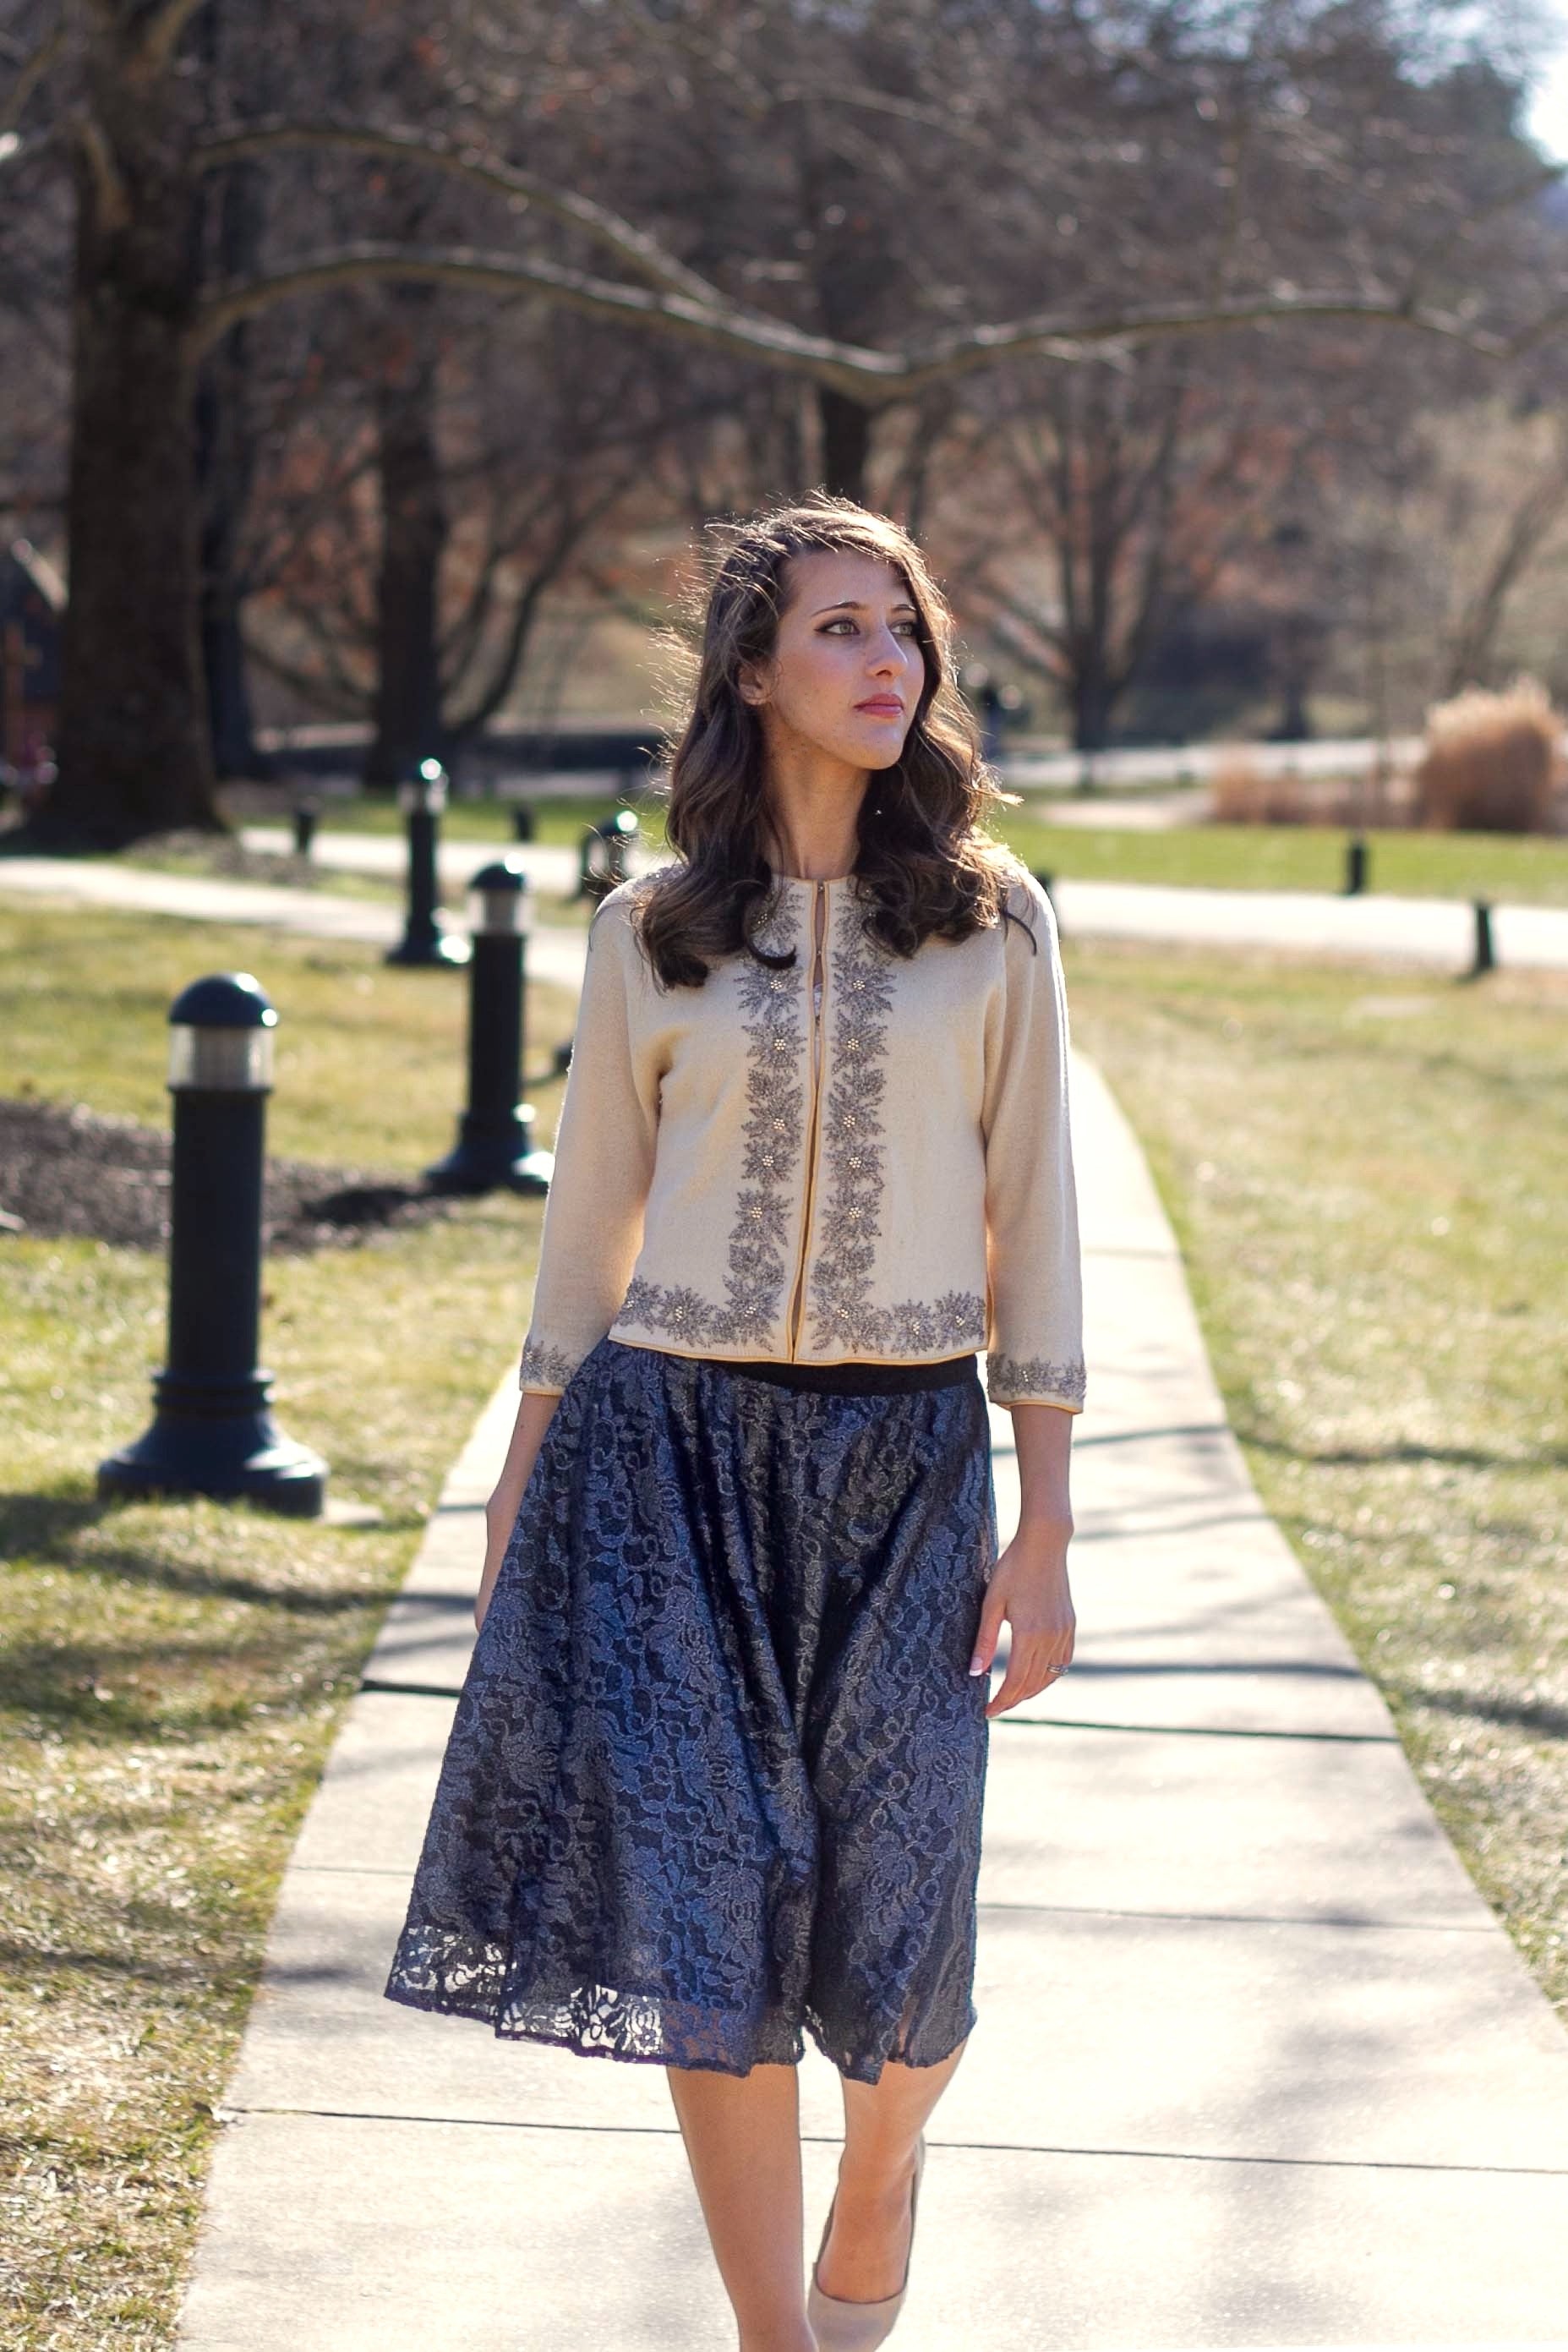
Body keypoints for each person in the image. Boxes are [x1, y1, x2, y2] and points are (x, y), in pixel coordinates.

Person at [384, 493, 1084, 2351]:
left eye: (901, 626)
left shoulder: (993, 923)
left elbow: (1040, 1232)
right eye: (840, 627)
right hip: (667, 1464)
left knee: (907, 1937)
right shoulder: (653, 930)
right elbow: (584, 1234)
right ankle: (779, 2336)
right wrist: (522, 1486)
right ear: (755, 672)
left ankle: (880, 2169)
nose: (882, 658)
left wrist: (1047, 1522)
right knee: (713, 1922)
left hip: (906, 1470)